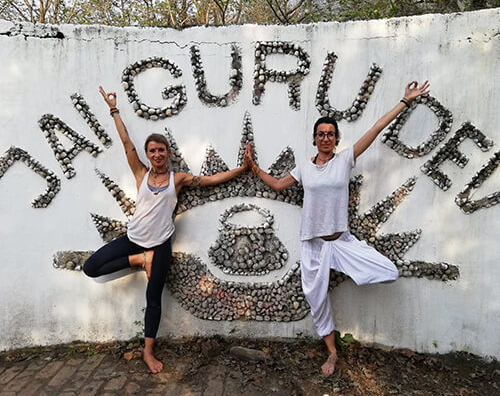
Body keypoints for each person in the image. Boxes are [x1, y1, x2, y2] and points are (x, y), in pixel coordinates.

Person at [245, 81, 430, 375]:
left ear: (337, 138)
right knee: (316, 299)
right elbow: (280, 185)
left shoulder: (345, 160)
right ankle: (331, 353)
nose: (326, 138)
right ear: (314, 139)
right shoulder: (304, 168)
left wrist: (404, 101)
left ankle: (353, 273)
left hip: (341, 242)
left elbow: (375, 130)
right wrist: (253, 168)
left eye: (331, 134)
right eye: (321, 134)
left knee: (388, 271)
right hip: (314, 245)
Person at [83, 86, 249, 374]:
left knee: (153, 299)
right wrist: (114, 109)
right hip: (134, 240)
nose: (157, 154)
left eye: (161, 150)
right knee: (91, 267)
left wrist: (240, 170)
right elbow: (126, 144)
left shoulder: (178, 178)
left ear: (167, 153)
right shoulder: (141, 173)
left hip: (160, 244)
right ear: (147, 155)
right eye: (152, 150)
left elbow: (210, 181)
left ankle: (148, 351)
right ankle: (138, 260)